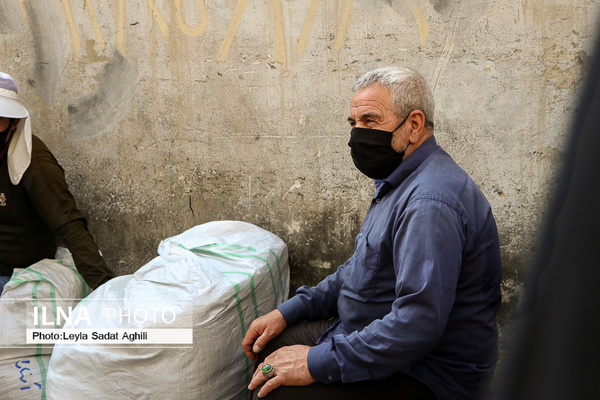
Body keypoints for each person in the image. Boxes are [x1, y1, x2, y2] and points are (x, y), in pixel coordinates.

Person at [242, 66, 502, 400]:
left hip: (425, 374)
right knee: (270, 349)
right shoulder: (399, 179)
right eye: (353, 123)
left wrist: (315, 363)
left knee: (275, 393)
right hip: (366, 331)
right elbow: (359, 271)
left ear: (414, 125)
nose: (358, 135)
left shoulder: (428, 203)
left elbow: (416, 324)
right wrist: (287, 310)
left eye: (370, 120)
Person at [0, 72, 113, 293]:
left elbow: (70, 225)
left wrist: (108, 293)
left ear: (13, 124)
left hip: (14, 276)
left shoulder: (34, 164)